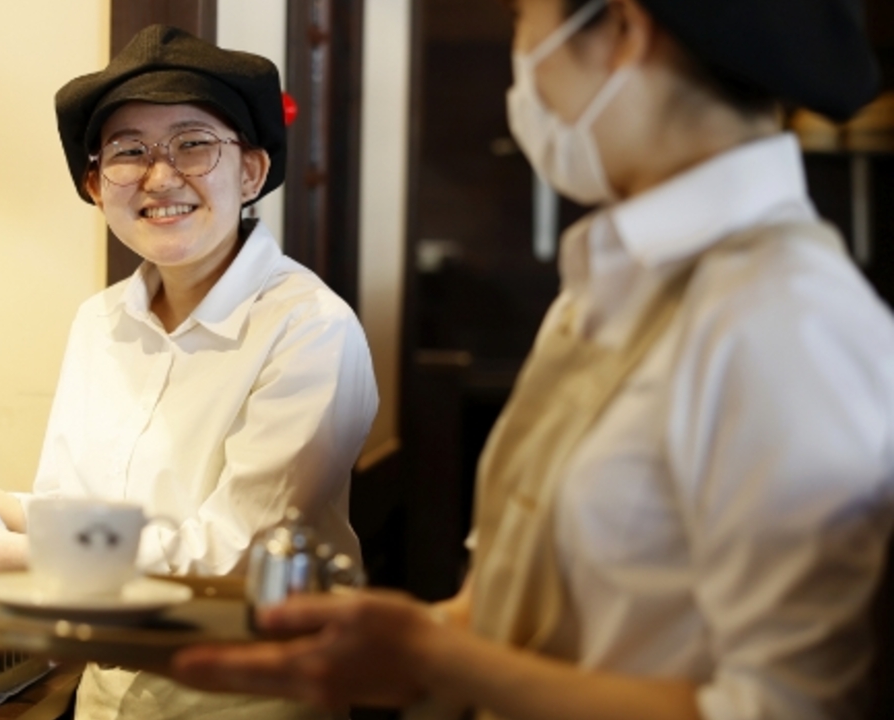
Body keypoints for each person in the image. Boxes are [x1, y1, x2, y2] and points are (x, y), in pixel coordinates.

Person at [170, 1, 894, 718]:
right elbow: (520, 600)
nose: (519, 67)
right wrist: (402, 640)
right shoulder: (605, 287)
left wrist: (432, 658)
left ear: (621, 33)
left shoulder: (789, 318)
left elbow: (790, 706)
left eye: (523, 20)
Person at [0, 24, 377, 720]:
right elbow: (85, 523)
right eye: (129, 152)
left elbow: (235, 559)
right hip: (106, 695)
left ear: (250, 172)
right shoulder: (100, 322)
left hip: (248, 700)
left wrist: (11, 555)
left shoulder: (310, 329)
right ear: (96, 185)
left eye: (193, 144)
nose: (161, 178)